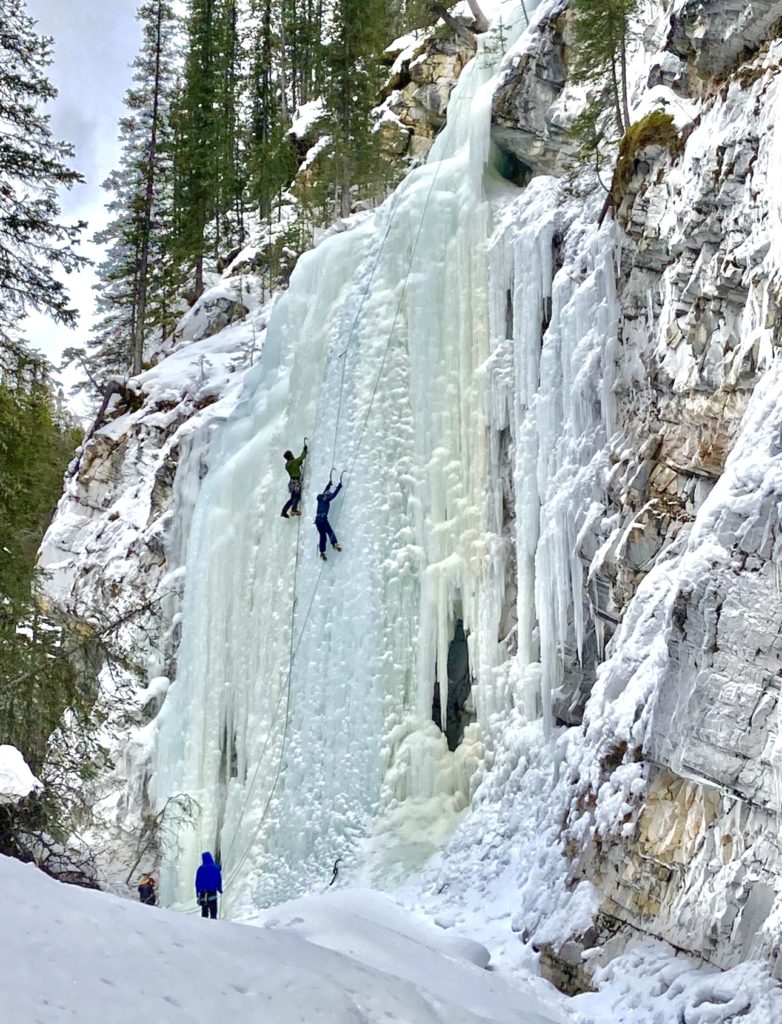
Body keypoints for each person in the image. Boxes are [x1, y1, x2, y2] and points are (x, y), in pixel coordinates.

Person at [314, 478, 343, 560]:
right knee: (329, 531)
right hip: (323, 519)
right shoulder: (327, 499)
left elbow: (325, 492)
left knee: (322, 535)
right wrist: (339, 487)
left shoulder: (320, 498)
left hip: (317, 520)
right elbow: (334, 495)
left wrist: (328, 485)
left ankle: (322, 552)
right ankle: (334, 544)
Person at [281, 443, 308, 518]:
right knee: (297, 496)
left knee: (292, 498)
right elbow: (301, 457)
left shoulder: (287, 466)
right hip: (296, 481)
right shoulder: (294, 462)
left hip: (291, 482)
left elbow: (296, 464)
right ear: (290, 456)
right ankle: (294, 509)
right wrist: (304, 450)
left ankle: (284, 511)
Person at [195, 851, 222, 919]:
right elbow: (218, 879)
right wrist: (219, 889)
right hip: (212, 893)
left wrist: (197, 893)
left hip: (203, 895)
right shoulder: (215, 868)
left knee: (204, 913)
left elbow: (197, 882)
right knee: (213, 912)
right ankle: (214, 924)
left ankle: (204, 925)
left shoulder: (200, 869)